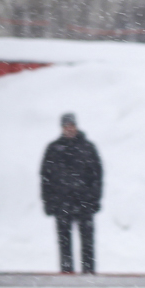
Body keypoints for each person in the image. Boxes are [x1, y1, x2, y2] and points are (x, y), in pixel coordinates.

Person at [40, 113, 103, 274]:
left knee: (87, 242)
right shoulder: (53, 149)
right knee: (64, 241)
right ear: (62, 128)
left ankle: (89, 273)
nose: (69, 129)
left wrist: (94, 199)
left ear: (76, 126)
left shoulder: (87, 148)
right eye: (66, 126)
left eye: (71, 126)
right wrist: (49, 202)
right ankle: (66, 273)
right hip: (62, 203)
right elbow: (46, 178)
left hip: (84, 202)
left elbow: (97, 175)